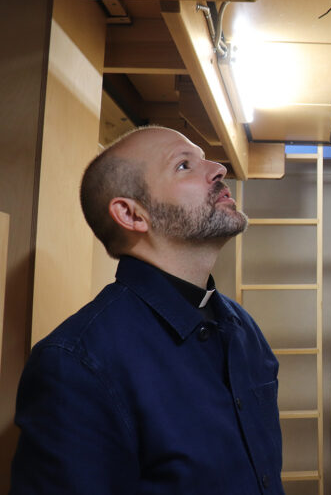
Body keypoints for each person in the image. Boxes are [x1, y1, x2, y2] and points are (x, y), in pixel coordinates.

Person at [10, 126, 283, 494]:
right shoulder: (76, 363)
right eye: (184, 166)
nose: (218, 168)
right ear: (132, 214)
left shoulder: (243, 328)